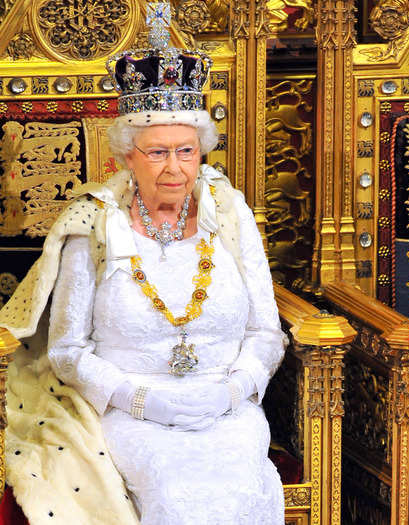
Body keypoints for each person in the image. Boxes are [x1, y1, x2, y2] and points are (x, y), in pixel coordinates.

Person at [0, 15, 285, 525]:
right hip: (131, 415)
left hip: (230, 411)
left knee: (240, 481)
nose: (173, 167)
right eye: (157, 153)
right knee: (172, 489)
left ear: (201, 153)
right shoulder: (93, 225)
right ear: (128, 157)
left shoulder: (232, 215)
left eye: (186, 151)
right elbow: (66, 351)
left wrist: (234, 390)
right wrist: (140, 400)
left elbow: (266, 331)